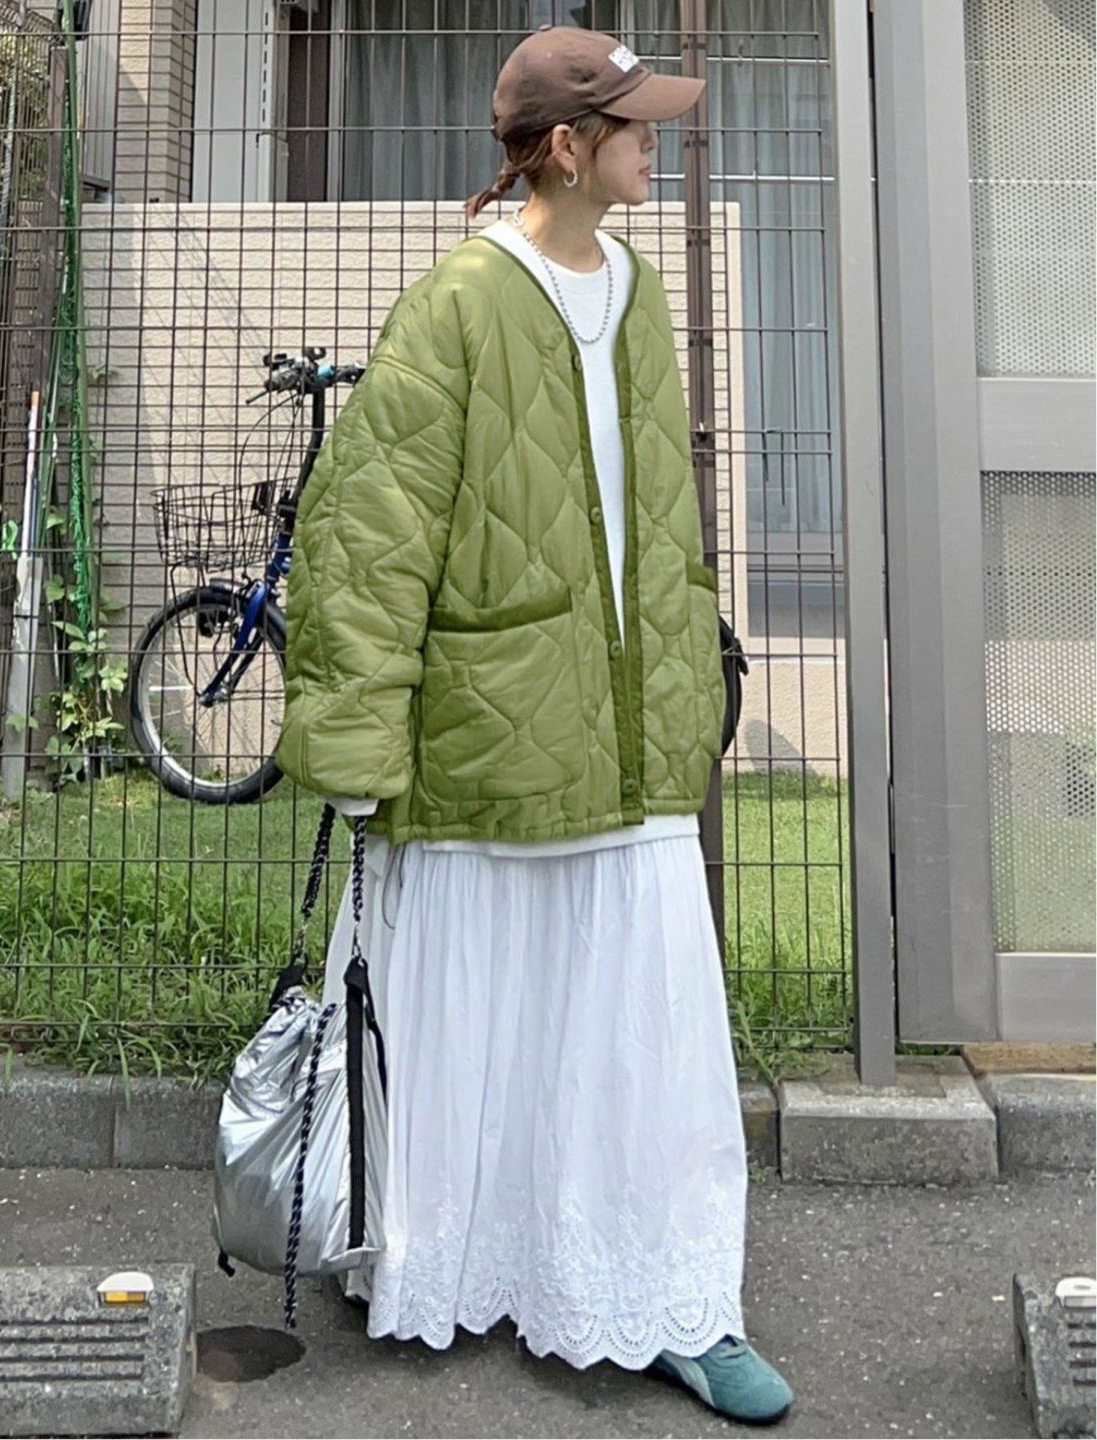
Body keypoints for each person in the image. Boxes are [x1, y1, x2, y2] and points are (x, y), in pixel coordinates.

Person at [277, 24, 793, 1426]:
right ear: (567, 147)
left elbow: (662, 521)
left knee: (644, 1030)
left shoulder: (639, 288)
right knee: (481, 1020)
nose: (655, 143)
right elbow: (370, 540)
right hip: (487, 731)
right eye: (633, 125)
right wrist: (360, 747)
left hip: (625, 737)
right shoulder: (454, 304)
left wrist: (686, 676)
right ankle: (453, 1261)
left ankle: (675, 1300)